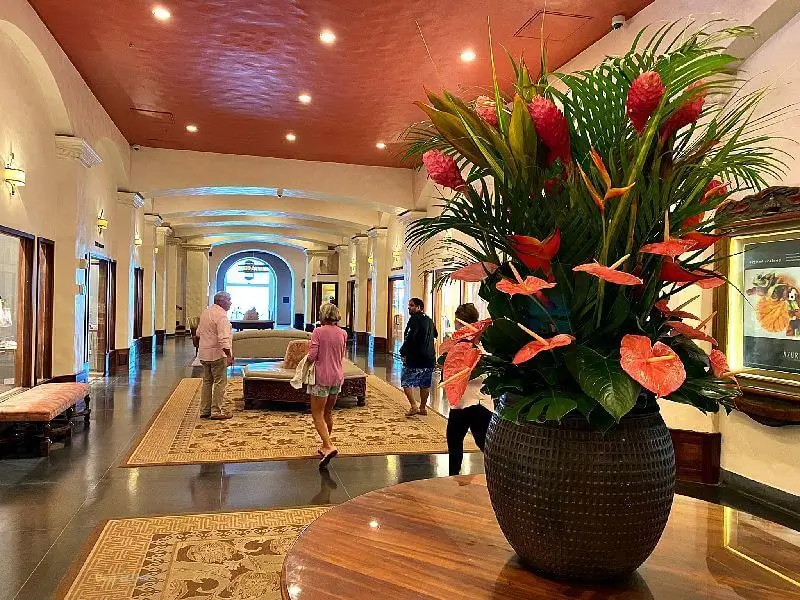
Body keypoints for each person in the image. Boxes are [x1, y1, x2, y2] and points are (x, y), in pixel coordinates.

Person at [444, 303, 493, 475]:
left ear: (458, 322)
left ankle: (453, 482)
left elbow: (452, 373)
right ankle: (497, 481)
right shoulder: (484, 344)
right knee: (487, 447)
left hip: (461, 403)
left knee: (455, 447)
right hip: (482, 403)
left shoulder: (459, 347)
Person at [307, 302, 347, 468]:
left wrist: (307, 360)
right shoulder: (343, 333)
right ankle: (325, 444)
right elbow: (342, 354)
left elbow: (312, 356)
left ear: (322, 315)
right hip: (337, 377)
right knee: (328, 412)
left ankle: (329, 446)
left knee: (317, 413)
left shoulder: (318, 331)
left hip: (321, 378)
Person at [196, 292, 234, 420]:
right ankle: (216, 411)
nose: (230, 303)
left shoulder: (206, 313)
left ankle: (205, 410)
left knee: (207, 382)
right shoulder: (221, 316)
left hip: (204, 353)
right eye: (229, 300)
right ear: (221, 301)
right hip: (217, 354)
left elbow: (198, 333)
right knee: (220, 382)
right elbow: (223, 338)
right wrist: (228, 355)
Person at [399, 297, 437, 417]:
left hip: (415, 357)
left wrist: (403, 352)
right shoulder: (429, 320)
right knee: (424, 384)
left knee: (405, 382)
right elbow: (435, 334)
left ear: (419, 307)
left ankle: (413, 406)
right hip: (429, 358)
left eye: (412, 305)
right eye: (409, 305)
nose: (409, 308)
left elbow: (410, 337)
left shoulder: (414, 319)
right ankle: (423, 408)